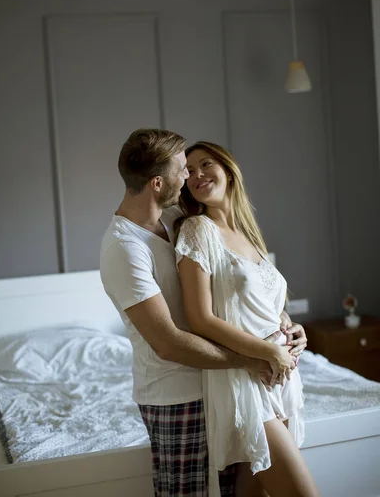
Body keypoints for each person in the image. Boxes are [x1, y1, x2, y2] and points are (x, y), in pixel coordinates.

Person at [100, 128, 308, 497]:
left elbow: (240, 290)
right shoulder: (125, 247)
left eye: (198, 167)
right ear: (157, 182)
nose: (189, 178)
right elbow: (168, 342)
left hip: (226, 383)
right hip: (176, 395)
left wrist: (288, 327)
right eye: (183, 169)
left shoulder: (175, 220)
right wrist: (253, 358)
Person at [175, 141, 320, 497]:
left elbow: (261, 302)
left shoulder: (247, 233)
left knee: (255, 492)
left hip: (281, 376)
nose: (197, 175)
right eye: (189, 172)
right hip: (245, 378)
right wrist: (270, 353)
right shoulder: (197, 230)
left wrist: (291, 327)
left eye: (205, 164)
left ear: (227, 168)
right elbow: (200, 318)